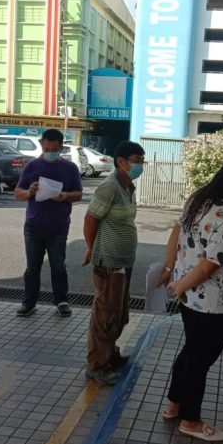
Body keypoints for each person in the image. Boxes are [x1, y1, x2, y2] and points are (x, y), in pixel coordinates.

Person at [160, 148, 223, 443]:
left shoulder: (199, 199)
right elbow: (210, 265)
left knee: (192, 351)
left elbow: (176, 233)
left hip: (191, 298)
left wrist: (171, 271)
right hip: (212, 301)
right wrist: (180, 285)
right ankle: (191, 421)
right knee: (200, 360)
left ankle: (174, 403)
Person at [82, 140, 145, 385]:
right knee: (105, 314)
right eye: (137, 161)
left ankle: (110, 355)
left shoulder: (128, 186)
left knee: (118, 312)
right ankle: (97, 365)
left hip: (123, 260)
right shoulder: (109, 187)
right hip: (108, 260)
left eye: (142, 161)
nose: (140, 165)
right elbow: (90, 219)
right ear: (121, 162)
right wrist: (90, 248)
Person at [14, 128, 83, 317]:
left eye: (54, 150)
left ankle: (61, 301)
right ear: (42, 146)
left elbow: (78, 194)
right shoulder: (32, 166)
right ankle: (29, 302)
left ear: (61, 147)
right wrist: (30, 191)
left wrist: (64, 196)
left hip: (58, 226)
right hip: (33, 225)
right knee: (32, 267)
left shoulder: (70, 168)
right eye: (46, 150)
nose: (50, 153)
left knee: (58, 266)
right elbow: (18, 193)